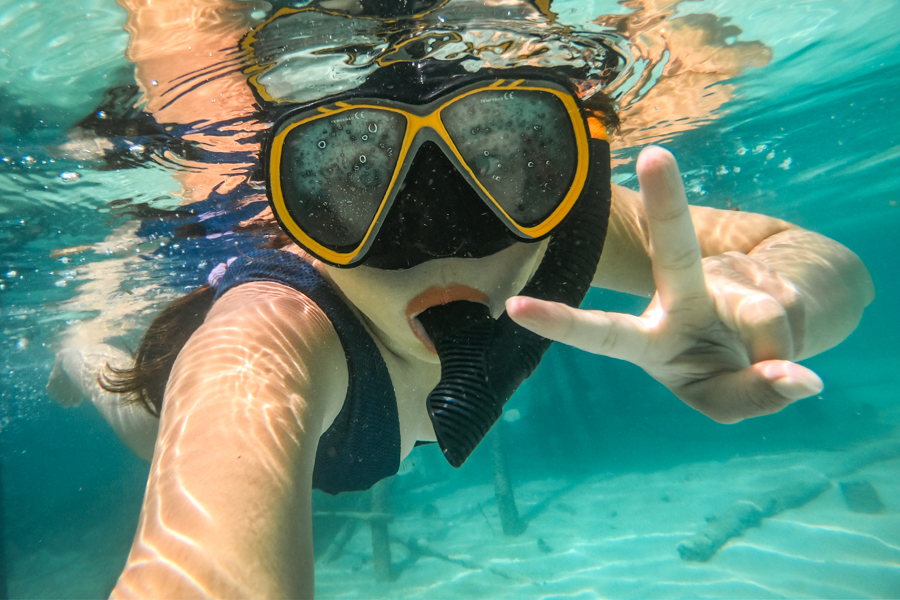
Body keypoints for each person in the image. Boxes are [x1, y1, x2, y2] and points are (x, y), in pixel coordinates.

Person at [47, 1, 874, 597]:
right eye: (352, 178)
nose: (444, 238)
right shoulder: (268, 336)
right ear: (295, 203)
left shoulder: (560, 229)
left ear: (557, 160)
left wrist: (777, 303)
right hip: (254, 435)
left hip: (376, 425)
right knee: (136, 413)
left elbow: (822, 263)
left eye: (505, 158)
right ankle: (81, 349)